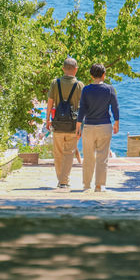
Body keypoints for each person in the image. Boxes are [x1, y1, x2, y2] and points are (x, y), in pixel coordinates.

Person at [76, 62, 119, 192]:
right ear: (104, 75)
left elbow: (82, 109)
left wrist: (78, 125)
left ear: (91, 75)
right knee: (102, 157)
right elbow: (115, 107)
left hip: (89, 126)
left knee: (88, 157)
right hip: (105, 125)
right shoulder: (110, 89)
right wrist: (116, 122)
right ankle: (100, 185)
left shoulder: (86, 90)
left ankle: (87, 185)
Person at [45, 57, 84, 190]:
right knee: (69, 153)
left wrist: (47, 120)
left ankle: (61, 180)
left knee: (58, 153)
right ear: (76, 69)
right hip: (73, 125)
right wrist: (81, 127)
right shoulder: (79, 85)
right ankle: (64, 181)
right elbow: (83, 108)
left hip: (58, 124)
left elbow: (50, 103)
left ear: (63, 69)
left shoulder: (55, 83)